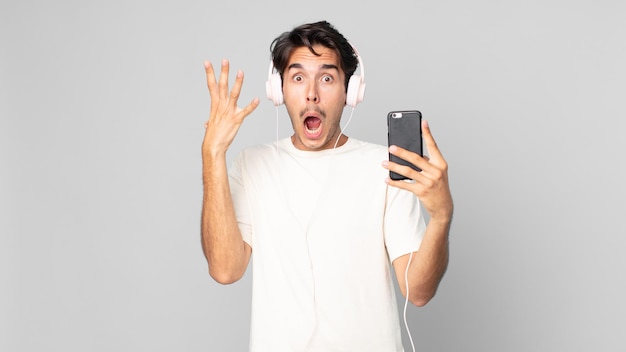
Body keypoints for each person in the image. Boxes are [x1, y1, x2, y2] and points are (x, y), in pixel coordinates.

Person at [200, 20, 453, 352]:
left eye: (328, 78)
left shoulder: (385, 168)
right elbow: (225, 269)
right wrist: (212, 154)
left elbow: (418, 292)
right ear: (279, 90)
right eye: (298, 77)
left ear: (351, 91)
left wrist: (442, 218)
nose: (312, 93)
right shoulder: (251, 165)